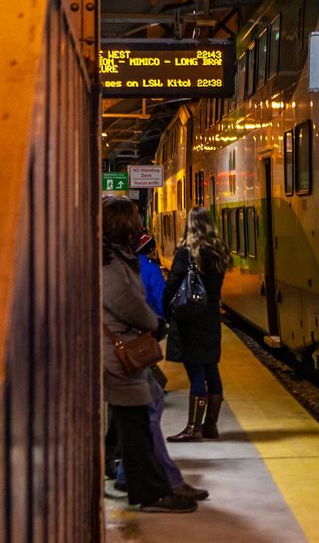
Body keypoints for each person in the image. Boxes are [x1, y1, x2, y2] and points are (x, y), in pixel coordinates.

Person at [101, 195, 196, 513]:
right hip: (120, 355)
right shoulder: (110, 263)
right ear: (124, 225)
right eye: (135, 220)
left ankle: (155, 482)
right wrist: (154, 322)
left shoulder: (113, 257)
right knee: (138, 423)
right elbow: (126, 303)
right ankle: (151, 491)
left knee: (137, 420)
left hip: (121, 354)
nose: (140, 225)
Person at [114, 233, 209, 501]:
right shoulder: (129, 266)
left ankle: (137, 475)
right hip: (126, 353)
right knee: (149, 408)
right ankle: (154, 481)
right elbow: (143, 306)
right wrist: (157, 324)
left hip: (119, 353)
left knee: (135, 413)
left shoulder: (114, 263)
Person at [164, 207, 230, 442]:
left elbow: (171, 285)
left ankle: (193, 427)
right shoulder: (218, 252)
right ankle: (210, 426)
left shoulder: (187, 253)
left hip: (190, 320)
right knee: (211, 368)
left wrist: (166, 311)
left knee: (195, 374)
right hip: (211, 319)